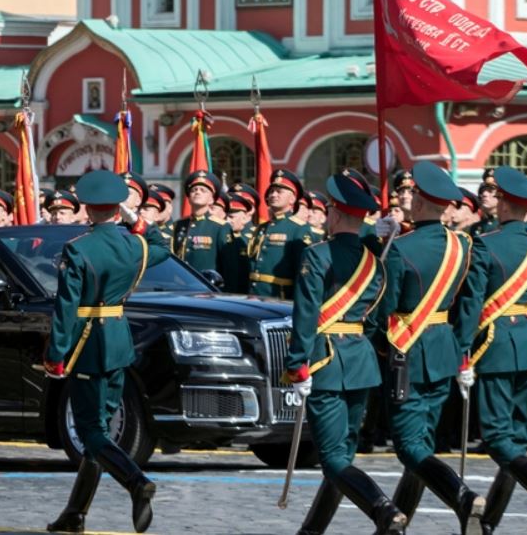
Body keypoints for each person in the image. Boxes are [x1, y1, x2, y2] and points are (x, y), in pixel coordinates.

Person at [284, 169, 406, 535]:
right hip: (361, 360)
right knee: (344, 456)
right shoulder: (376, 263)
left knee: (334, 459)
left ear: (334, 214)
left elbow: (305, 315)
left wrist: (297, 365)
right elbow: (373, 319)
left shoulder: (316, 255)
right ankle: (312, 529)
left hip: (325, 362)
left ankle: (382, 509)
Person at [44, 169, 158, 534]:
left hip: (87, 345)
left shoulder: (78, 248)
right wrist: (135, 218)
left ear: (88, 209)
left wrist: (56, 353)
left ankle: (136, 481)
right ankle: (74, 514)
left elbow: (65, 308)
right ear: (116, 208)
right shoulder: (133, 245)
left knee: (91, 430)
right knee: (100, 433)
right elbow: (163, 246)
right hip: (118, 342)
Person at [375, 162, 485, 534]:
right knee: (420, 446)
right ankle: (395, 524)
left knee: (409, 448)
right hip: (443, 351)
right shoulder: (464, 244)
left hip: (407, 351)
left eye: (411, 195)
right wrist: (462, 347)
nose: (406, 199)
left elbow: (386, 307)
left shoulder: (400, 250)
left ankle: (462, 496)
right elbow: (470, 304)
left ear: (421, 204)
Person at [466, 166, 527, 534]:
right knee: (515, 443)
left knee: (496, 438)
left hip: (496, 346)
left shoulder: (486, 244)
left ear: (504, 205)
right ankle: (489, 521)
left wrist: (462, 350)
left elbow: (473, 305)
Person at [248, 169, 317, 299]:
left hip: (280, 297)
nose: (273, 195)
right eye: (271, 191)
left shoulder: (299, 229)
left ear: (292, 199)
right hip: (254, 295)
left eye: (279, 192)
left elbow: (303, 272)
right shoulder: (261, 228)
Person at [171, 171, 233, 279]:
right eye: (194, 190)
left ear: (212, 199)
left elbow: (229, 266)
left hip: (208, 289)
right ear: (189, 198)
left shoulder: (220, 227)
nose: (197, 192)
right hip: (181, 286)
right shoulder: (179, 225)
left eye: (203, 190)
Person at [473, 169, 501, 236]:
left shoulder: (506, 226)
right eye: (483, 190)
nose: (484, 194)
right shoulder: (476, 227)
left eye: (491, 190)